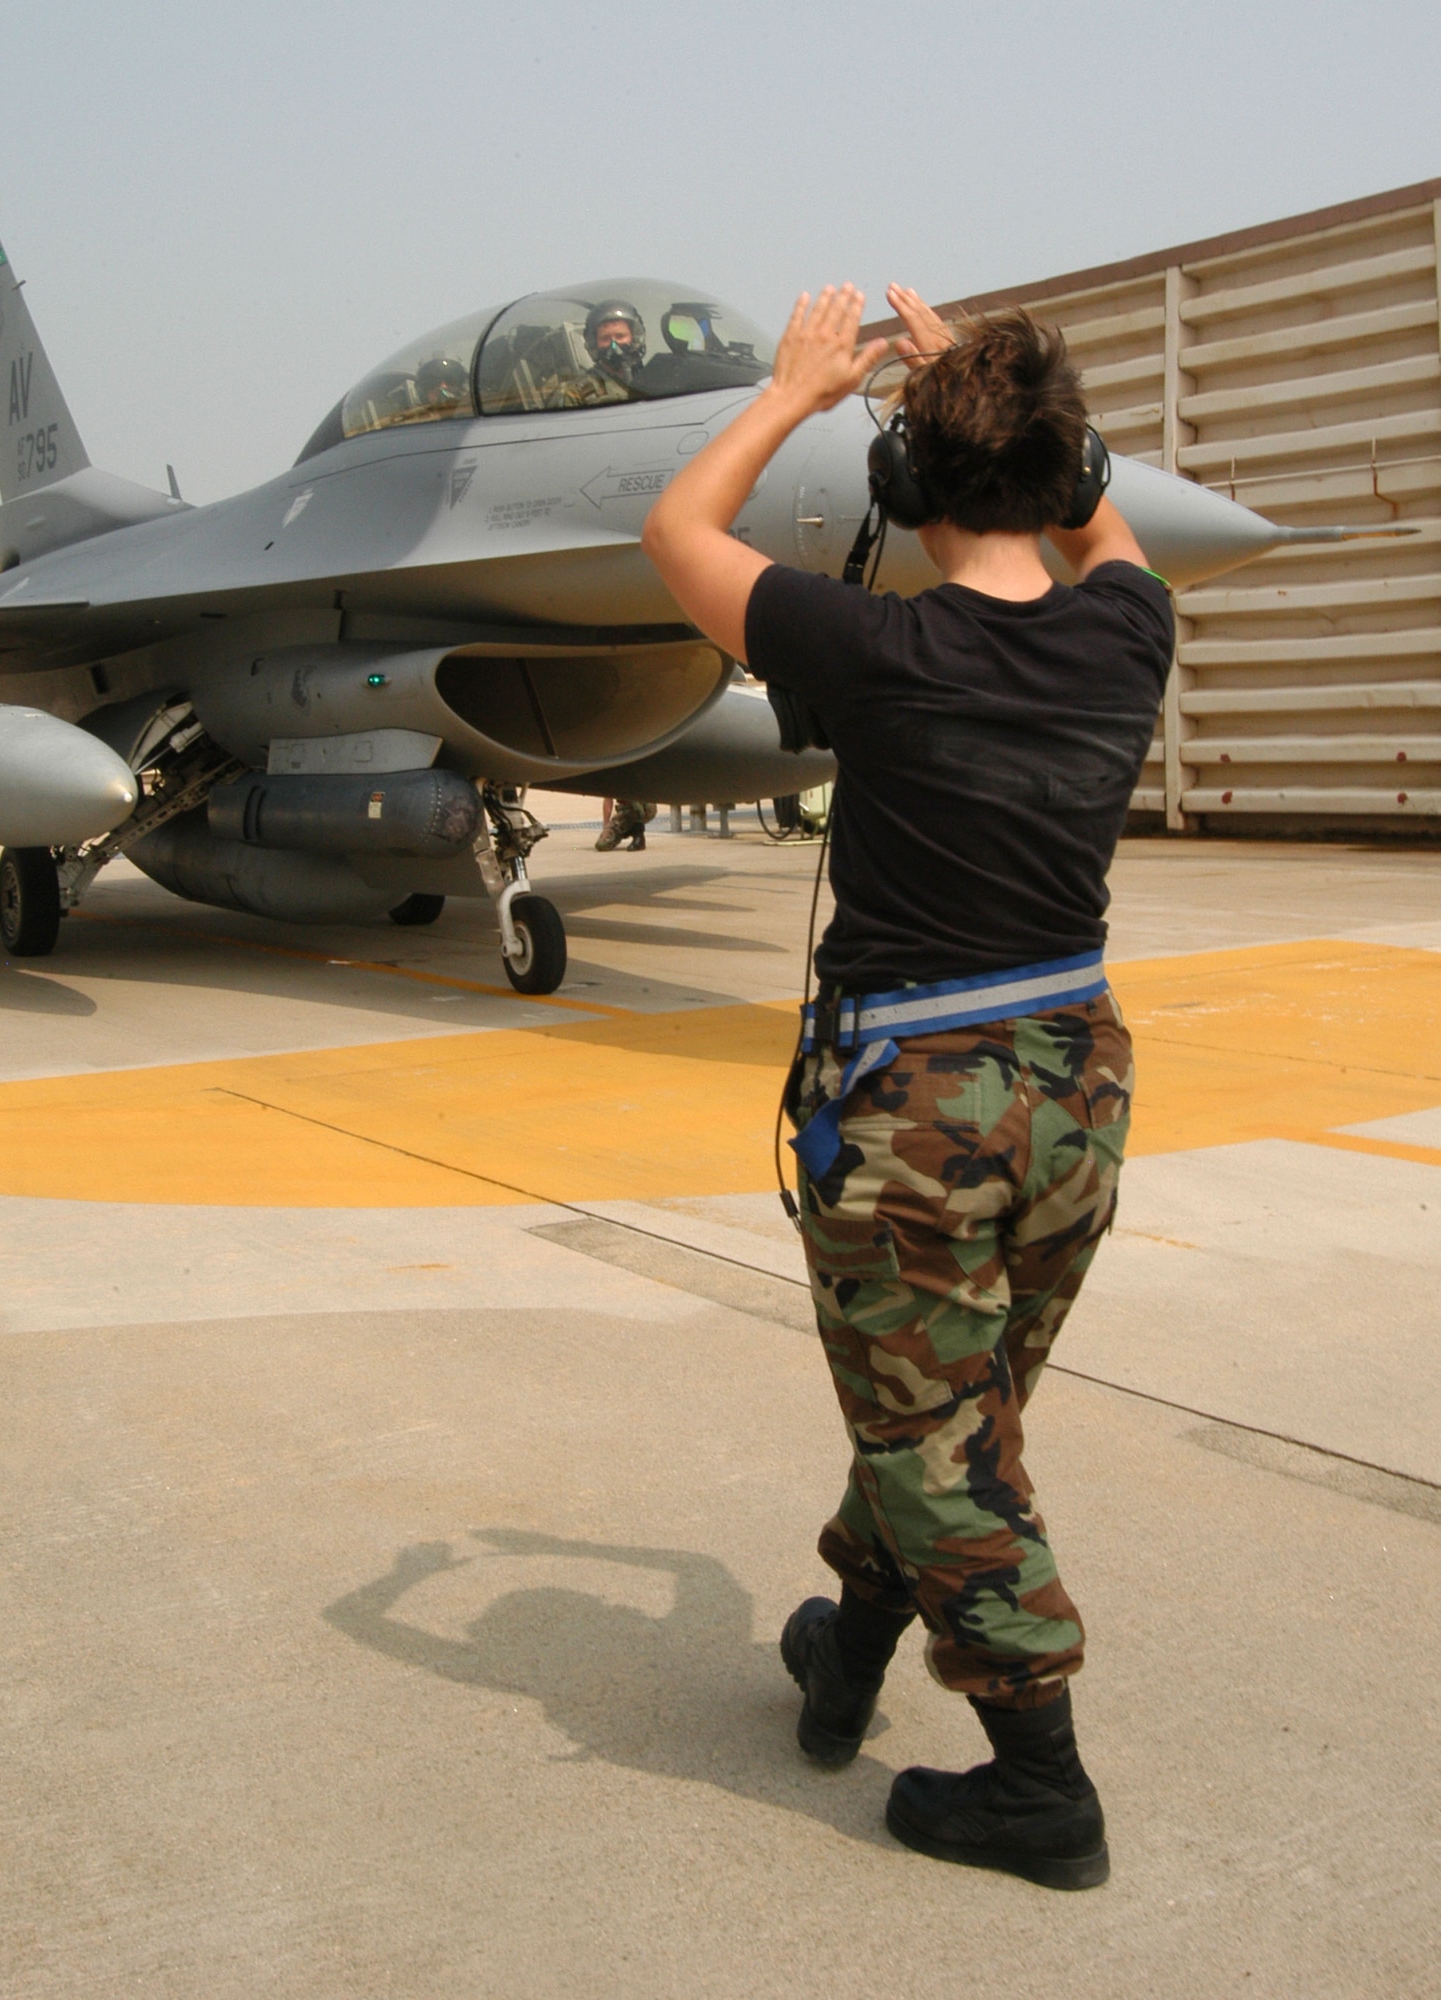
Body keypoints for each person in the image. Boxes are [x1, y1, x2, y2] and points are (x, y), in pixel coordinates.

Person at [641, 284, 1175, 1891]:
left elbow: (678, 527)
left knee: (941, 1444)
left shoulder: (869, 642)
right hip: (1077, 1088)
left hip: (919, 1118)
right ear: (1059, 470)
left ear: (907, 495)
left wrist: (799, 388)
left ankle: (1039, 1784)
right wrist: (1013, 416)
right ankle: (848, 1659)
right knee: (946, 1407)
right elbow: (1111, 535)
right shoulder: (1125, 628)